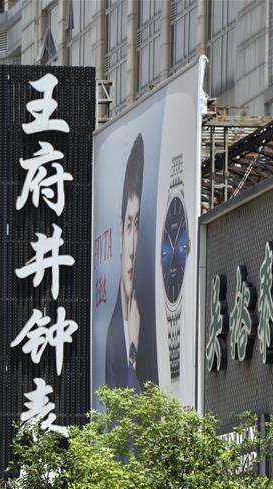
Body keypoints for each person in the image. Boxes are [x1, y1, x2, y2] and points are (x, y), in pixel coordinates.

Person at [105, 132, 156, 392]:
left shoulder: (148, 323)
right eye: (128, 225)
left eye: (138, 225)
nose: (133, 247)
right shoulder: (112, 334)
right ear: (120, 234)